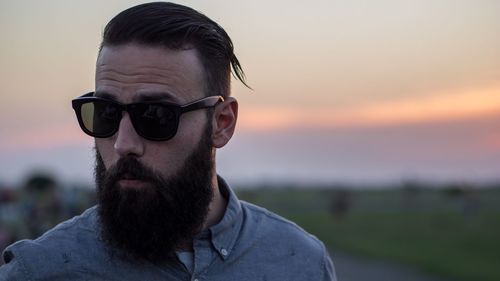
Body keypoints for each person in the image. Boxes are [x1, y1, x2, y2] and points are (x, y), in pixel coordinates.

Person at [0, 2, 336, 280]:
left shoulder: (301, 264)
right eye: (105, 112)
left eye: (155, 116)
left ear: (222, 122)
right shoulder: (40, 270)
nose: (123, 144)